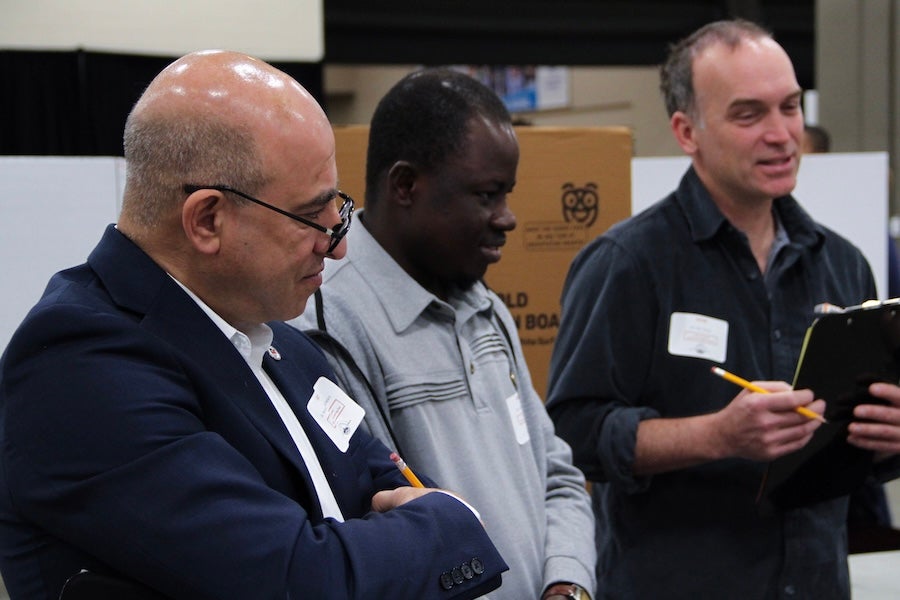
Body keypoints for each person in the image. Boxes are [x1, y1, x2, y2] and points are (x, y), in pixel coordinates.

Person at [0, 50, 508, 600]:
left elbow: (391, 484)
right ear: (208, 220)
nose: (336, 250)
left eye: (335, 208)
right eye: (312, 216)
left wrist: (417, 530)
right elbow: (302, 583)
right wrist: (453, 523)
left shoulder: (281, 344)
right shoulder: (79, 365)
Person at [545, 19, 900, 599]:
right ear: (688, 131)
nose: (782, 134)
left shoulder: (841, 263)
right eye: (749, 114)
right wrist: (717, 435)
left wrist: (888, 436)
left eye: (789, 108)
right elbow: (572, 434)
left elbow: (856, 455)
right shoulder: (628, 263)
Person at [290, 68, 596, 600]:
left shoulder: (487, 309)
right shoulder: (327, 326)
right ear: (405, 185)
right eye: (486, 194)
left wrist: (568, 586)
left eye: (507, 194)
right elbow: (376, 531)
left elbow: (558, 478)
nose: (508, 218)